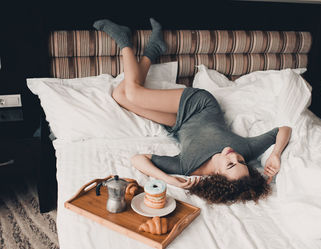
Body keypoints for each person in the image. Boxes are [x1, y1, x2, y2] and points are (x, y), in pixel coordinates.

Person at [93, 18, 292, 204]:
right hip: (199, 105)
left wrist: (168, 179)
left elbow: (137, 159)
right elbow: (283, 130)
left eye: (231, 164)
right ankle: (123, 40)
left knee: (120, 95)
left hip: (176, 123)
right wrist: (275, 154)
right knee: (133, 93)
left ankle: (153, 49)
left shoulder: (187, 167)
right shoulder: (246, 150)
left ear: (216, 177)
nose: (234, 156)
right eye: (241, 161)